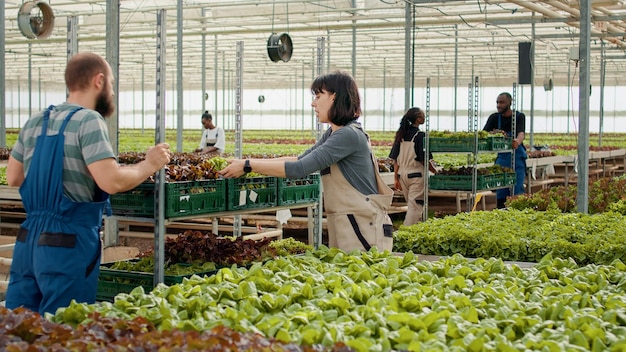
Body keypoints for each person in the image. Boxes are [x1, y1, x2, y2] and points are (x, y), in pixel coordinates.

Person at [5, 52, 171, 315]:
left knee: (19, 329)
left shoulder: (36, 121)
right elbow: (112, 180)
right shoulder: (88, 120)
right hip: (68, 243)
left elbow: (13, 177)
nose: (113, 93)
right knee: (63, 328)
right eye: (113, 85)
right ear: (99, 80)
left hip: (28, 242)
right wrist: (148, 165)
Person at [219, 71, 394, 253]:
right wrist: (246, 162)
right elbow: (300, 159)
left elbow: (299, 168)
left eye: (318, 96)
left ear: (334, 97)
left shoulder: (348, 135)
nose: (313, 103)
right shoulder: (335, 133)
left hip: (364, 228)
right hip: (351, 223)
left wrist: (248, 165)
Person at [389, 107, 437, 225]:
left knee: (412, 206)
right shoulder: (420, 136)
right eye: (422, 115)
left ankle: (414, 229)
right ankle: (406, 232)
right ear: (417, 119)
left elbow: (395, 159)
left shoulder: (401, 135)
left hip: (402, 175)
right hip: (416, 175)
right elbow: (424, 160)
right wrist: (436, 172)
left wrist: (396, 178)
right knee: (415, 206)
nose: (424, 117)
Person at [482, 92, 527, 209]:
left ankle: (517, 215)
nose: (498, 105)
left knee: (516, 191)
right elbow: (483, 134)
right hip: (502, 160)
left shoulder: (519, 116)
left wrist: (517, 141)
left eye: (501, 102)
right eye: (497, 102)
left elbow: (521, 133)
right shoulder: (494, 118)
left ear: (509, 103)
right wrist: (493, 134)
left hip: (517, 159)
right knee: (501, 191)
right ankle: (501, 214)